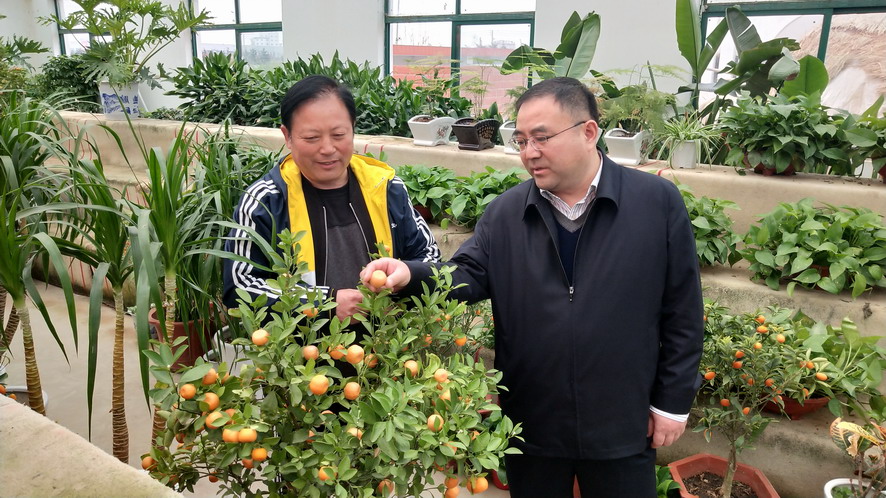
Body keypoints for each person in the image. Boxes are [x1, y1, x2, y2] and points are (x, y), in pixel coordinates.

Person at [361, 77, 703, 497]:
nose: (529, 152)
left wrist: (671, 403)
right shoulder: (507, 213)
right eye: (521, 140)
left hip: (622, 419)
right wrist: (410, 274)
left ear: (589, 132)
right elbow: (466, 274)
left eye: (542, 138)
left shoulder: (656, 203)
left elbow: (683, 312)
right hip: (531, 422)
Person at [223, 75, 440, 319]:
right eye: (311, 138)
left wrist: (406, 275)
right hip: (301, 343)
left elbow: (429, 256)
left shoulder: (386, 188)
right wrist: (323, 304)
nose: (327, 149)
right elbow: (240, 286)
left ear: (353, 129)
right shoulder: (265, 202)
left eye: (338, 135)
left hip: (389, 339)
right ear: (287, 136)